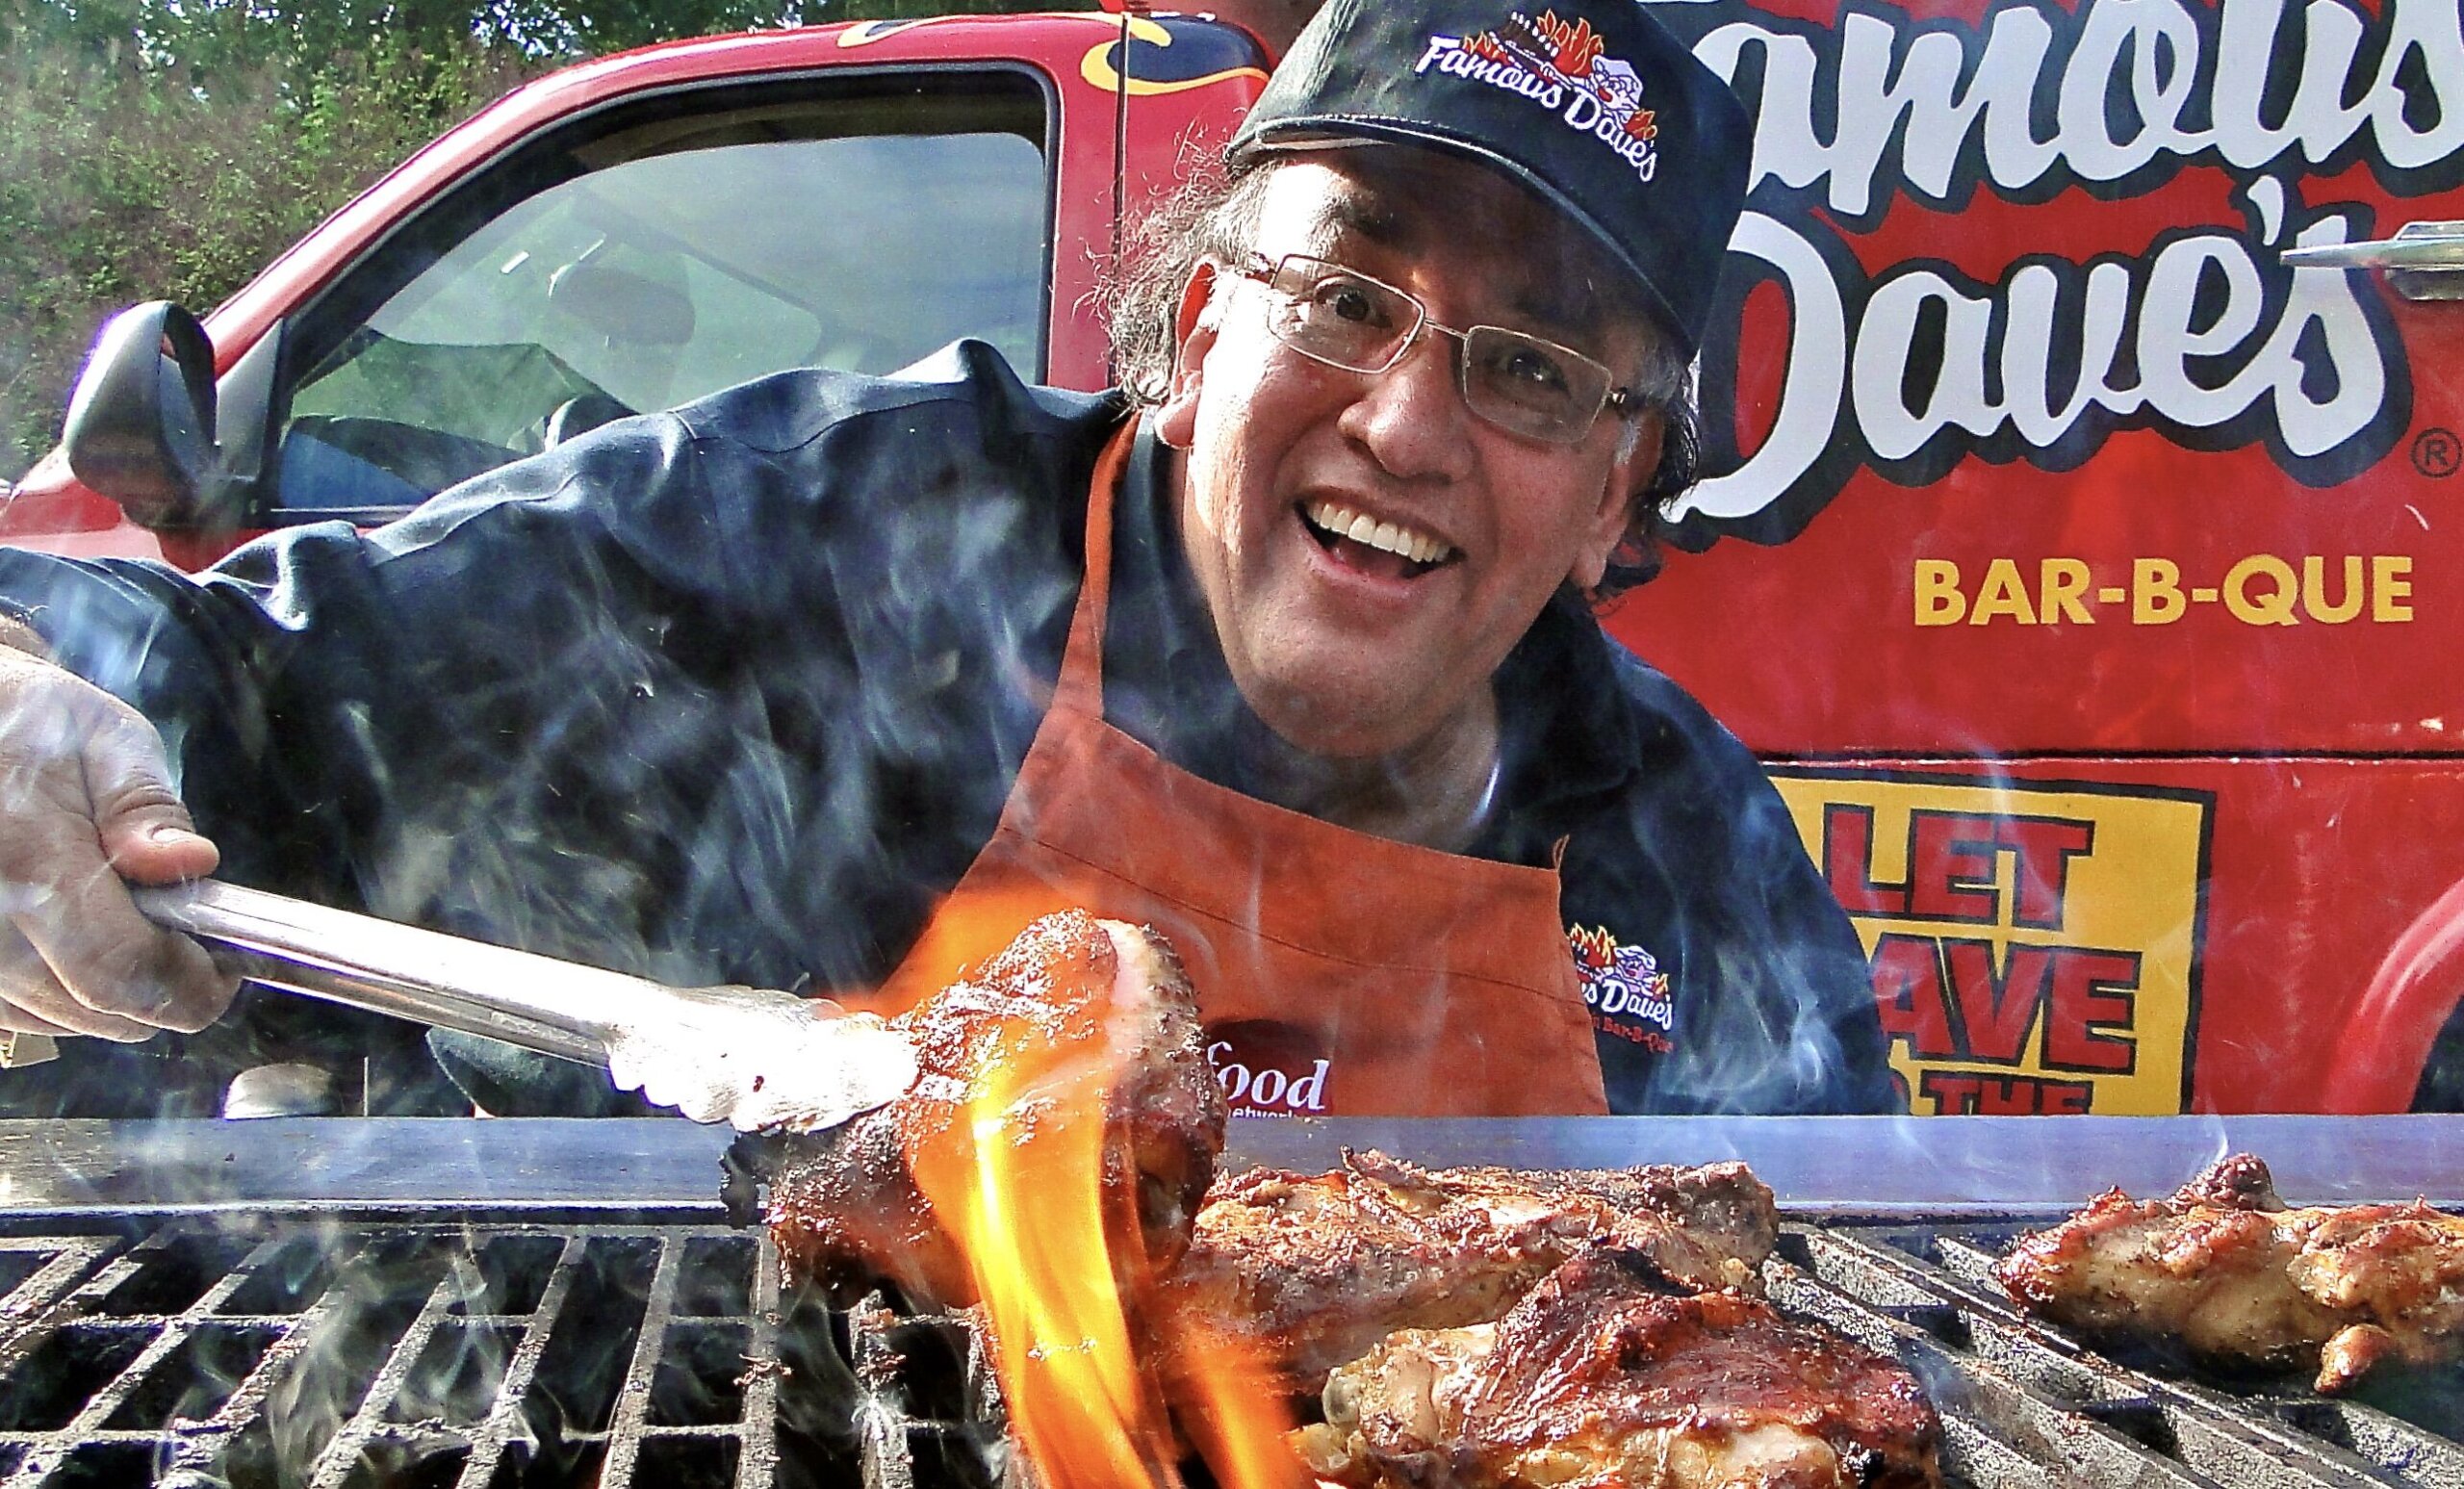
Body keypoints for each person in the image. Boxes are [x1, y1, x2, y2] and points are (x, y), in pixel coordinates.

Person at [0, 0, 1896, 1117]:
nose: (1403, 424)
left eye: (1534, 365)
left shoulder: (1687, 851)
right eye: (1338, 290)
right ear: (1198, 324)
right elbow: (239, 672)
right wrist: (39, 698)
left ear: (1614, 495)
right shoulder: (854, 531)